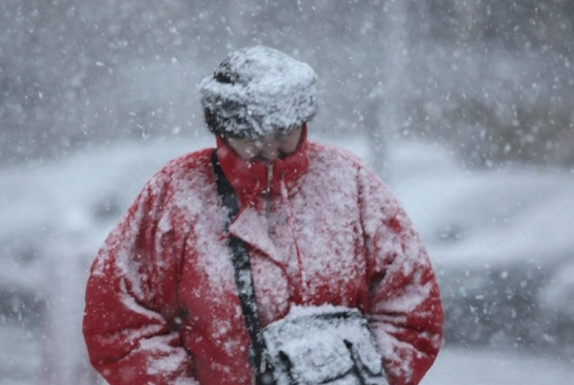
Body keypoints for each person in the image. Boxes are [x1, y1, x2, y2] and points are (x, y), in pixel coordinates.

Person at [82, 46, 443, 385]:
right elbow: (119, 320)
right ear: (222, 130)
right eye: (251, 135)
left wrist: (365, 377)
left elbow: (411, 309)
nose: (270, 148)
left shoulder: (350, 182)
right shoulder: (176, 194)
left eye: (284, 132)